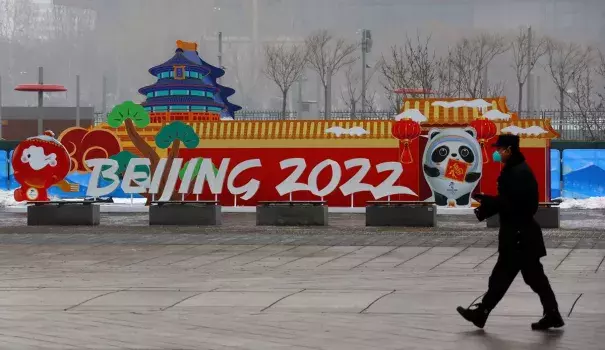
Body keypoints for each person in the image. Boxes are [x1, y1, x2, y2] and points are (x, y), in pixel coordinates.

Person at [456, 134, 564, 331]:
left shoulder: (518, 173)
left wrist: (489, 202)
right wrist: (490, 204)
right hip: (521, 235)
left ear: (509, 150)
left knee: (504, 277)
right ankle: (552, 314)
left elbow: (518, 204)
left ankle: (482, 313)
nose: (497, 153)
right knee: (531, 277)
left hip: (519, 237)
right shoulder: (515, 170)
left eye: (499, 150)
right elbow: (511, 201)